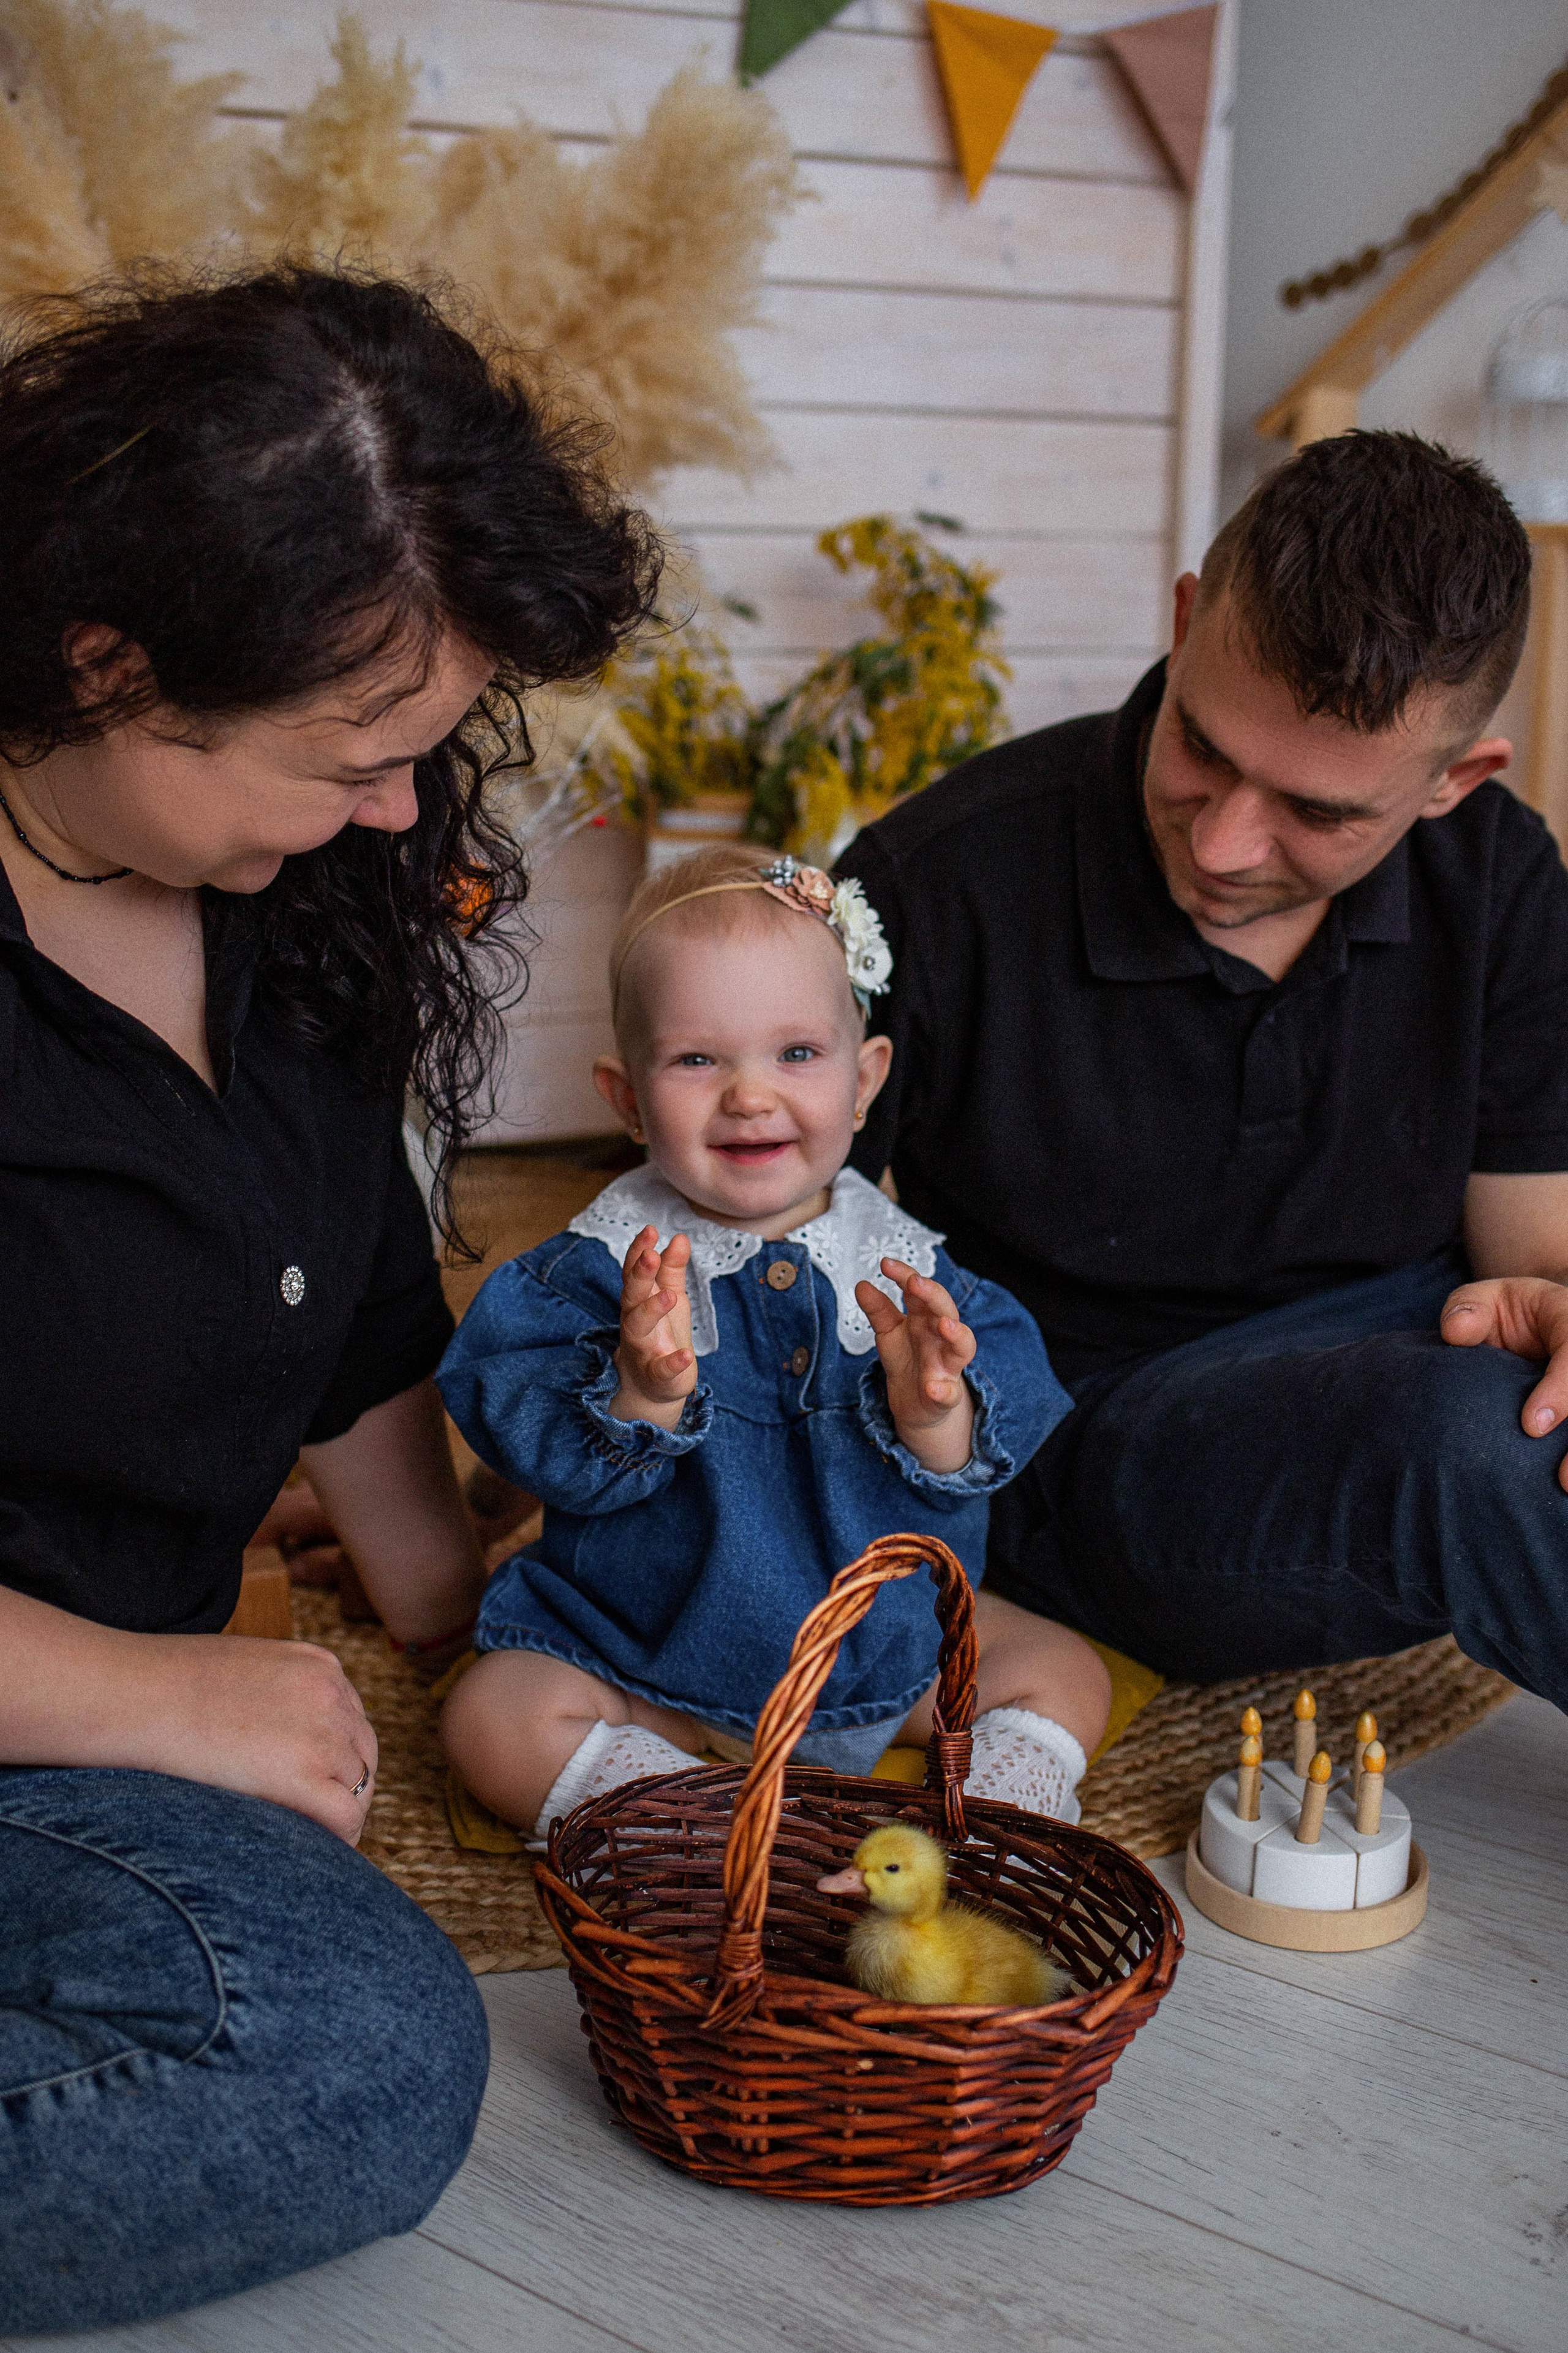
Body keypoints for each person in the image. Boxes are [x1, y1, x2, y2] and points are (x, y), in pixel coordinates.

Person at [0, 265, 659, 2333]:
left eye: (423, 747)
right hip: (71, 1709)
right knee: (346, 2063)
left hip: (68, 1754)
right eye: (354, 754)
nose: (399, 805)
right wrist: (150, 1699)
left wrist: (479, 1608)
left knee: (351, 2035)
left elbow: (347, 1300)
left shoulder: (302, 889)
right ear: (108, 666)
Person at [838, 429, 1568, 1713]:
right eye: (1204, 748)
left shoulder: (1497, 874)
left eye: (1318, 812)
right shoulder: (932, 884)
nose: (1224, 844)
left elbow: (1534, 1245)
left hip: (1412, 1347)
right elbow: (739, 1254)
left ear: (1454, 780)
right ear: (1183, 625)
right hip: (1108, 1446)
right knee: (1471, 1440)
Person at [438, 843, 1110, 1840]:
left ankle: (982, 1834)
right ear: (627, 1099)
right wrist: (640, 1391)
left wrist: (935, 1412)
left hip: (888, 1662)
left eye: (797, 1053)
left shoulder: (906, 1272)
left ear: (865, 1079)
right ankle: (701, 1831)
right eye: (697, 1059)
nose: (750, 1094)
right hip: (644, 1657)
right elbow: (532, 1443)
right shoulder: (599, 1271)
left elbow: (981, 1455)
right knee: (493, 1714)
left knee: (1064, 1669)